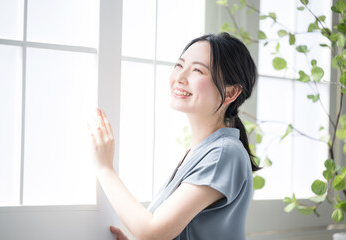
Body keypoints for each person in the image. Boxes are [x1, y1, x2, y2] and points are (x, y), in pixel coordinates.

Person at [87, 32, 260, 240]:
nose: (180, 77)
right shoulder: (202, 151)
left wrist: (105, 168)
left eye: (197, 70)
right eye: (179, 65)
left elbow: (152, 233)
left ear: (231, 93)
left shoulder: (224, 153)